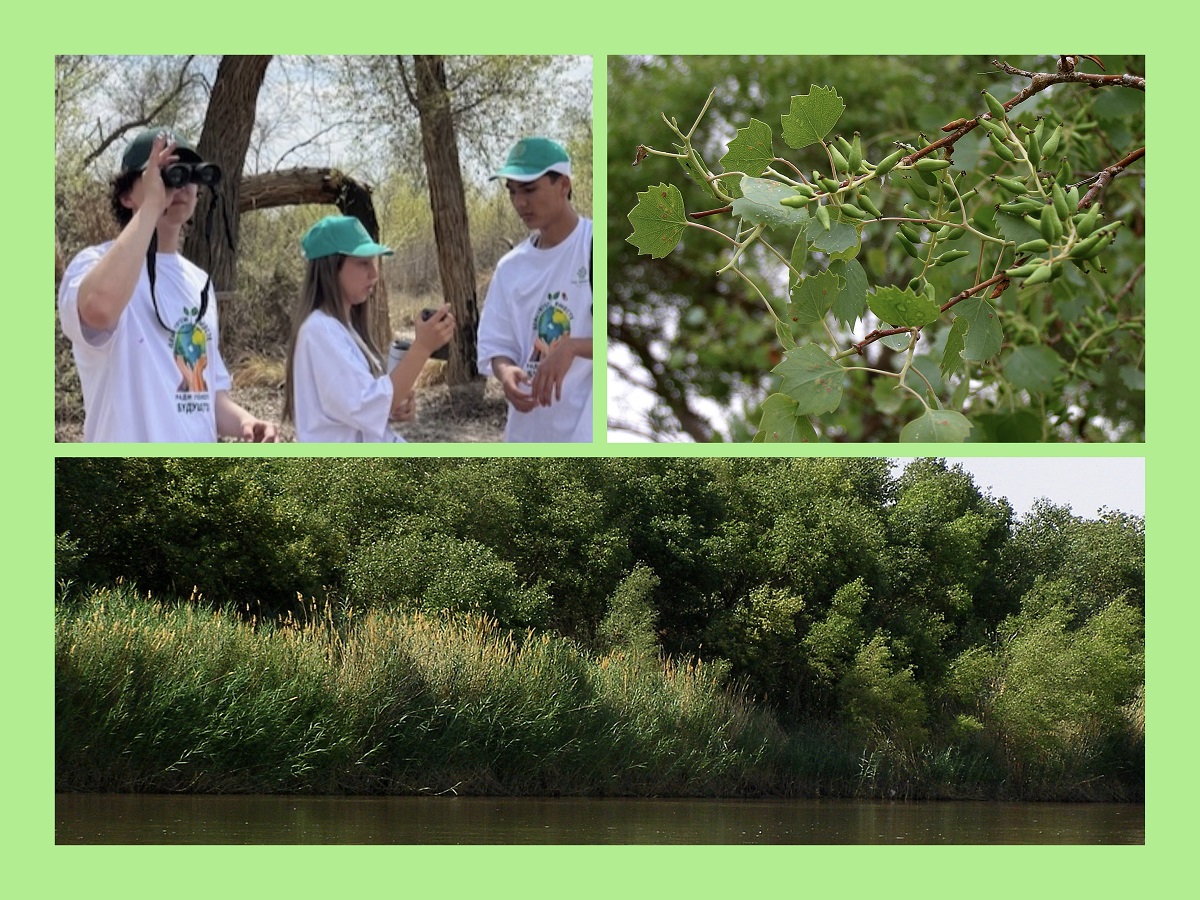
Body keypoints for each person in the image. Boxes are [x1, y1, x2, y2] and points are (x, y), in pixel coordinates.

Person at [58, 127, 278, 442]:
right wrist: (151, 206)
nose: (181, 185)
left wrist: (246, 421)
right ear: (126, 195)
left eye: (190, 175)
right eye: (166, 173)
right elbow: (99, 311)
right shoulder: (92, 265)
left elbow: (200, 392)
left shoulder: (199, 282)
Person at [283, 215, 455, 442]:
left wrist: (391, 409)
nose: (374, 274)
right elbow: (367, 404)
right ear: (331, 268)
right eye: (363, 263)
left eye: (373, 262)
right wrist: (422, 348)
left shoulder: (342, 329)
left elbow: (353, 406)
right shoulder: (319, 331)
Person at [477, 137, 592, 442]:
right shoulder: (510, 268)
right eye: (512, 192)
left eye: (529, 189)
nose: (519, 203)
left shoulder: (594, 246)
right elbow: (496, 347)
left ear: (563, 185)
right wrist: (506, 374)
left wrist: (573, 347)